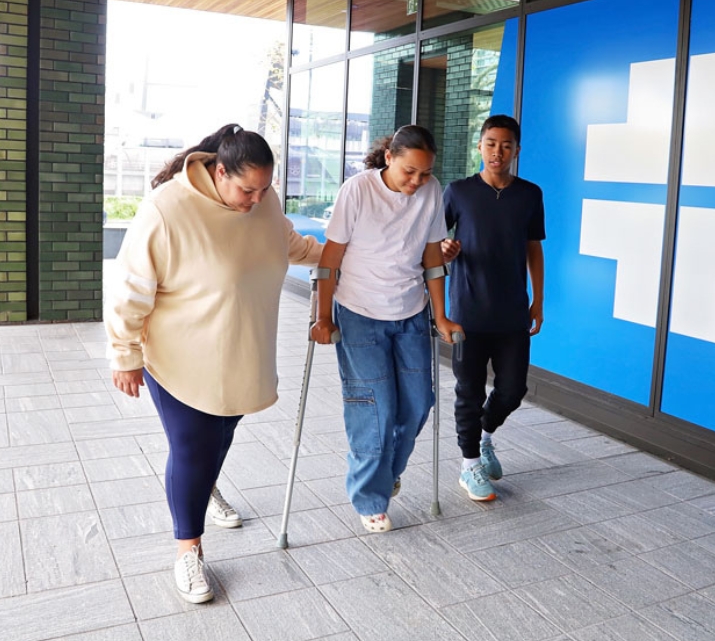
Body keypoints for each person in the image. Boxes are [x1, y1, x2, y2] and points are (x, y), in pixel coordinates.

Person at [105, 124, 323, 604]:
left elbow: (288, 243)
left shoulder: (264, 202)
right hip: (179, 358)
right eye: (247, 189)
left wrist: (347, 256)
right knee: (193, 448)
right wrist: (125, 354)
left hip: (243, 354)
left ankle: (203, 487)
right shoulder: (167, 210)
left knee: (218, 438)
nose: (256, 199)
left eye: (265, 189)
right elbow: (130, 290)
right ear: (220, 171)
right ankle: (189, 549)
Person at [311, 125, 463, 533]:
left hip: (410, 311)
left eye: (425, 173)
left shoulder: (431, 193)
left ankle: (385, 472)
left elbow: (432, 256)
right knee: (375, 407)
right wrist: (322, 315)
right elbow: (331, 257)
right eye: (409, 172)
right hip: (359, 311)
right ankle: (370, 495)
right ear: (389, 158)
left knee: (418, 402)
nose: (417, 182)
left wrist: (440, 314)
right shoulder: (357, 190)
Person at [441, 114, 545, 501]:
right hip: (468, 310)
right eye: (490, 143)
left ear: (516, 150)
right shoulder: (458, 191)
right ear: (479, 146)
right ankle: (469, 465)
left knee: (513, 389)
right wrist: (445, 250)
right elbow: (433, 244)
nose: (497, 151)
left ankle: (484, 436)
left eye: (505, 145)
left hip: (513, 311)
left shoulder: (530, 194)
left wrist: (538, 300)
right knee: (468, 389)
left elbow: (534, 247)